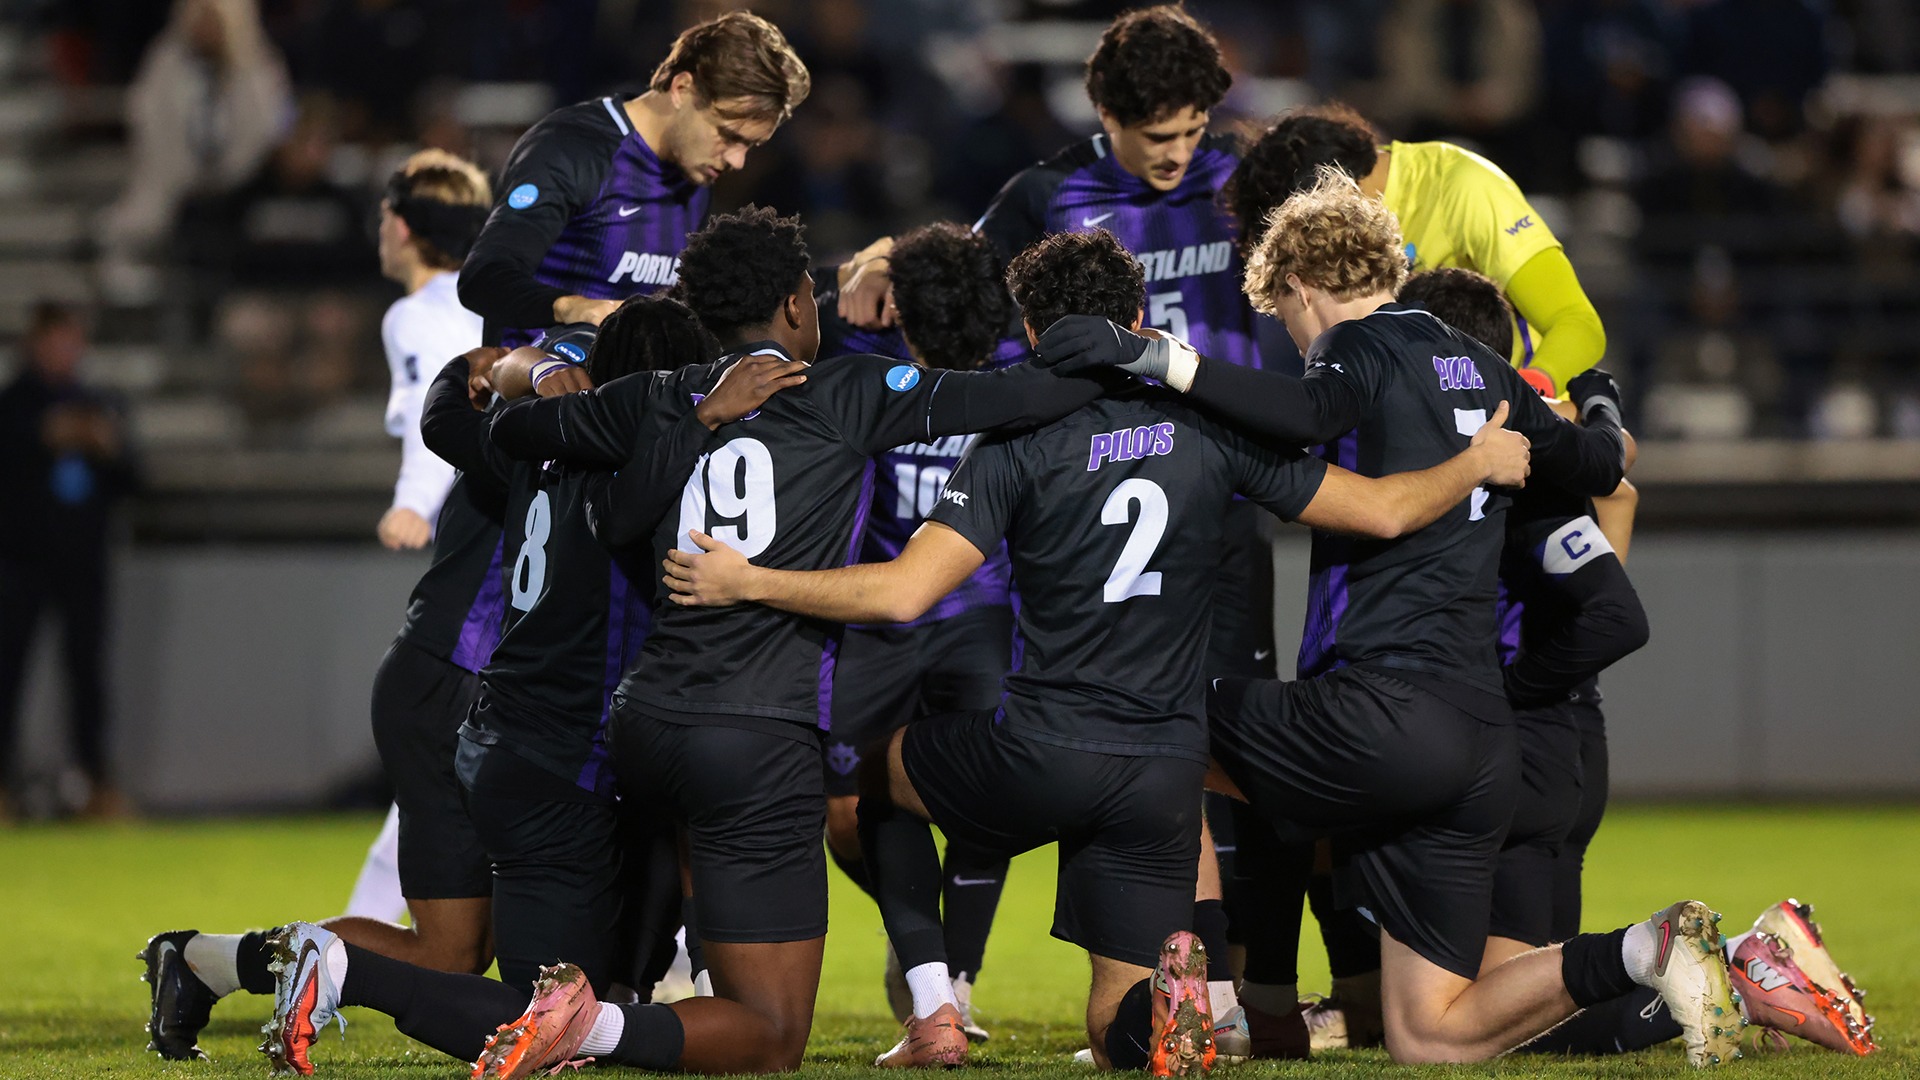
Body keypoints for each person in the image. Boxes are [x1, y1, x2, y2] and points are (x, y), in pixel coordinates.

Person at [658, 226, 1530, 1073]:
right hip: (1163, 771)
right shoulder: (1211, 426)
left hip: (1044, 750)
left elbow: (903, 592)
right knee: (1116, 1027)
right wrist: (1474, 462)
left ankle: (935, 1004)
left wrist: (753, 580)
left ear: (1033, 331)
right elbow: (1381, 511)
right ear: (1139, 319)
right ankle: (1170, 1008)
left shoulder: (1018, 439)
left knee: (877, 783)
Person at [268, 206, 1114, 1079]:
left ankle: (433, 980)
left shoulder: (654, 396)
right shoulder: (847, 390)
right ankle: (598, 1021)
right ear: (797, 305)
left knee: (613, 963)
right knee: (770, 1034)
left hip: (641, 726)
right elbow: (1026, 395)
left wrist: (538, 371)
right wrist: (1132, 353)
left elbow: (521, 443)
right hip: (752, 729)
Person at [1041, 171, 1744, 1067]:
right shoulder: (1484, 366)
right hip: (1479, 739)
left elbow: (1310, 411)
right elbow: (1605, 464)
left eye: (1283, 315)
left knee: (1130, 721)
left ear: (1300, 287)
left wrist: (1161, 360)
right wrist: (1599, 398)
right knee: (1432, 1034)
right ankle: (1648, 949)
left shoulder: (1357, 346)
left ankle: (1197, 1002)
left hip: (1381, 712)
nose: (1292, 336)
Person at [1401, 269, 1877, 1060]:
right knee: (1541, 990)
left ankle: (1741, 972)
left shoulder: (1486, 461)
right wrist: (1598, 409)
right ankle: (1745, 969)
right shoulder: (1542, 437)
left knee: (1498, 1017)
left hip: (1524, 743)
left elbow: (1616, 611)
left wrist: (1509, 691)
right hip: (1576, 738)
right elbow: (1619, 489)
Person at [815, 223, 1021, 1040]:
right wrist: (870, 262)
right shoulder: (854, 349)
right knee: (847, 812)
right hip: (873, 612)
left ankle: (951, 979)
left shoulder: (1017, 357)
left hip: (979, 609)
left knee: (984, 799)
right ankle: (921, 941)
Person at [340, 148, 494, 927]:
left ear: (401, 226)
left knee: (436, 747)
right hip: (534, 542)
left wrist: (412, 501)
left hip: (488, 564)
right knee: (439, 765)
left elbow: (445, 413)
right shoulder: (491, 303)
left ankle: (328, 956)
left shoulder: (416, 314)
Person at [459, 10, 809, 348]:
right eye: (728, 135)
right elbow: (484, 277)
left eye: (750, 145)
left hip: (628, 390)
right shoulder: (572, 150)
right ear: (682, 88)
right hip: (533, 383)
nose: (737, 160)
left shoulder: (696, 176)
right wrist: (573, 308)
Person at [1221, 104, 1605, 395]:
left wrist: (1528, 397)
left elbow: (1576, 323)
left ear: (1327, 196)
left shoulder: (1463, 189)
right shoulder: (1347, 227)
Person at [0, 304, 138, 823]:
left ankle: (95, 783)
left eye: (71, 342)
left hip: (83, 562)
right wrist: (41, 438)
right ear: (34, 344)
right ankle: (3, 786)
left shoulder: (99, 403)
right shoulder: (13, 405)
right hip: (21, 562)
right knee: (8, 673)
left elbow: (134, 479)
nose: (65, 353)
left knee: (87, 676)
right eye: (55, 342)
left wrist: (107, 446)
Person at [95, 0, 291, 263]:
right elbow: (146, 120)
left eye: (213, 22)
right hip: (172, 186)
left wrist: (230, 176)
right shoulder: (165, 63)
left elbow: (271, 126)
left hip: (241, 192)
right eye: (200, 20)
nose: (206, 29)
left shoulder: (258, 67)